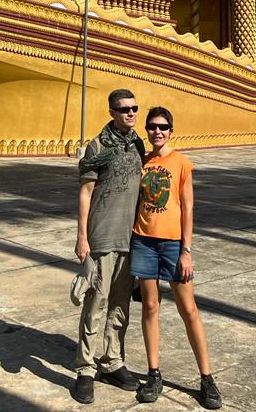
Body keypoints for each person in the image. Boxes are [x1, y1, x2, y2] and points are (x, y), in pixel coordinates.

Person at [130, 107, 222, 409]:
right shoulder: (142, 162)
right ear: (147, 130)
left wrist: (186, 250)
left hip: (172, 245)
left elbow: (188, 208)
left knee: (189, 309)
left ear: (171, 130)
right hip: (143, 241)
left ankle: (206, 377)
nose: (158, 132)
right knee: (151, 307)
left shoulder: (181, 163)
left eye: (163, 127)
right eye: (153, 127)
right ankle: (154, 373)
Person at [73, 88, 146, 404]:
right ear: (112, 113)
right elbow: (86, 193)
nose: (130, 113)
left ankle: (112, 360)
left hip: (130, 237)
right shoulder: (98, 146)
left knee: (120, 304)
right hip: (102, 235)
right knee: (95, 303)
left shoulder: (138, 144)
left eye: (134, 108)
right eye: (123, 109)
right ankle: (86, 369)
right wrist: (81, 237)